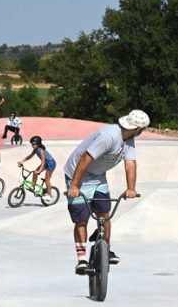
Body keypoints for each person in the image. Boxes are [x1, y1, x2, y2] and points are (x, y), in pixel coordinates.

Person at [64, 109, 149, 274]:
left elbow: (130, 163)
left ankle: (106, 248)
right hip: (78, 175)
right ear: (136, 129)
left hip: (98, 176)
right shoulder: (109, 136)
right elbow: (85, 158)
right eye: (142, 129)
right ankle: (81, 260)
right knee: (81, 219)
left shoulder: (128, 139)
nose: (142, 132)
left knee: (104, 213)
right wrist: (74, 185)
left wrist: (131, 188)